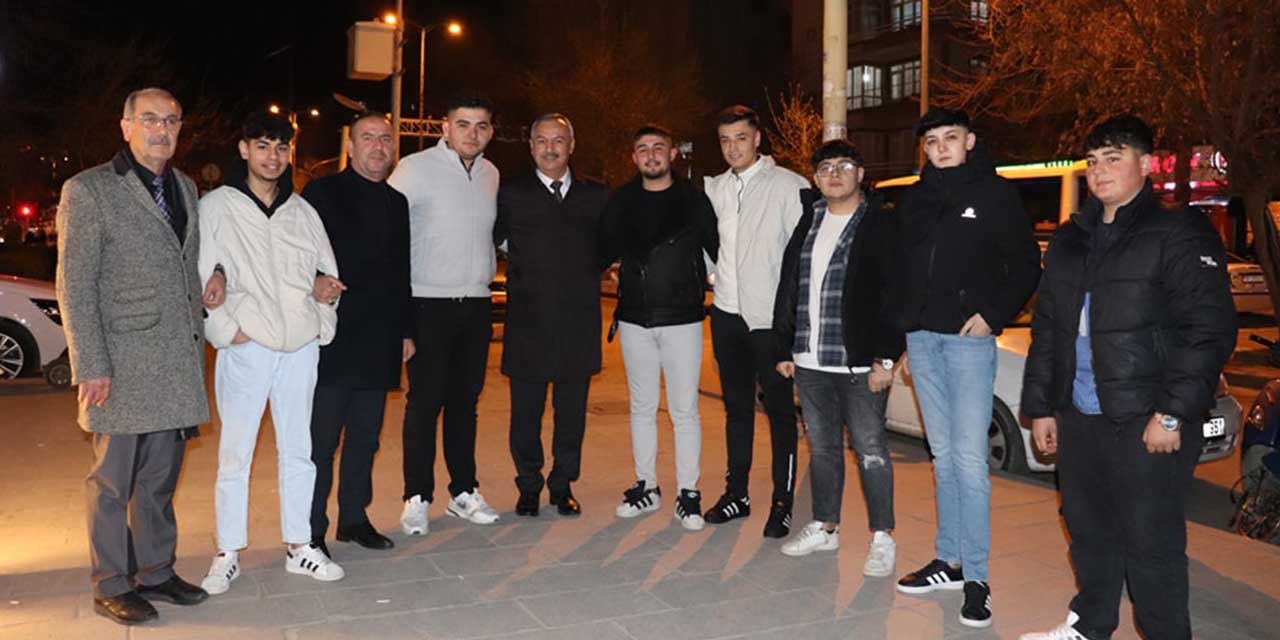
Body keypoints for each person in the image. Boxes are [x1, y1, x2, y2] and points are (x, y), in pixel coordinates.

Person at [1018, 115, 1236, 640]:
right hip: (1080, 414)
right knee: (1088, 532)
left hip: (1146, 417)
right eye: (1092, 161)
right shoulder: (1071, 238)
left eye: (1113, 159)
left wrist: (1172, 413)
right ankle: (1090, 626)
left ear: (1146, 164)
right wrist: (1042, 407)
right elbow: (1048, 328)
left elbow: (1208, 329)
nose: (1099, 171)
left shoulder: (1177, 231)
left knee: (1151, 545)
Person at [57, 87, 216, 625]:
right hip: (120, 363)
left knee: (159, 480)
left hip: (174, 360)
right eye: (149, 119)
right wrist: (91, 365)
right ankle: (111, 582)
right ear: (125, 126)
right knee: (111, 483)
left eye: (171, 120)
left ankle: (156, 571)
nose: (161, 129)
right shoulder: (89, 190)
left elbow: (184, 265)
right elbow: (74, 284)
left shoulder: (185, 187)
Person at [891, 107, 1041, 628]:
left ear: (969, 141)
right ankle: (948, 561)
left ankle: (976, 577)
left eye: (950, 138)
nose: (940, 148)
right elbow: (903, 270)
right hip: (923, 340)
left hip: (967, 342)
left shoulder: (994, 194)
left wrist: (992, 315)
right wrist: (904, 333)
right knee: (943, 457)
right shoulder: (916, 199)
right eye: (931, 141)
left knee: (970, 461)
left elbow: (1026, 264)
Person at [198, 111, 344, 594]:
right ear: (244, 149)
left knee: (299, 449)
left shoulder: (302, 211)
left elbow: (326, 271)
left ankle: (300, 545)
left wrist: (321, 312)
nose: (273, 156)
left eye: (281, 148)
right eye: (262, 146)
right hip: (249, 345)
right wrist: (227, 330)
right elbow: (202, 271)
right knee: (235, 452)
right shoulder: (217, 206)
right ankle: (227, 551)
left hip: (298, 346)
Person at [772, 140, 902, 576]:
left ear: (860, 174)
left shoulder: (880, 224)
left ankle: (882, 537)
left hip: (860, 363)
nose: (834, 173)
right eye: (826, 167)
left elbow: (895, 294)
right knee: (823, 449)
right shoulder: (809, 220)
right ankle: (825, 526)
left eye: (844, 165)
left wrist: (886, 358)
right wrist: (785, 346)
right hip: (811, 360)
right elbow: (790, 284)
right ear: (815, 177)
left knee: (871, 451)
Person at [389, 92, 501, 532]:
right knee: (424, 403)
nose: (472, 133)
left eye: (481, 126)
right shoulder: (415, 169)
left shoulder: (491, 174)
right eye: (463, 124)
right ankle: (416, 496)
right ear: (445, 127)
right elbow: (388, 230)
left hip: (476, 303)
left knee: (464, 403)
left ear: (490, 131)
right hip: (427, 303)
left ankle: (463, 491)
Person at [301, 113, 412, 556]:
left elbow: (402, 271)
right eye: (368, 138)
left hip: (380, 337)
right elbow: (297, 253)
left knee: (366, 437)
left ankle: (353, 519)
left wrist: (406, 330)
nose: (378, 146)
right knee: (321, 441)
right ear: (350, 146)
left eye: (385, 138)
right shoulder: (322, 193)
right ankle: (310, 529)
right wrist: (312, 282)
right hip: (332, 337)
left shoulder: (397, 202)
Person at [600, 124, 718, 531]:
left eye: (658, 148)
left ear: (672, 154)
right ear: (634, 157)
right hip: (635, 319)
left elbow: (717, 252)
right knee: (642, 407)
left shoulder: (693, 201)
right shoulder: (622, 201)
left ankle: (689, 493)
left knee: (684, 410)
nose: (651, 155)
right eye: (643, 149)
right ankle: (646, 487)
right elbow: (603, 249)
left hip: (683, 319)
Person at [494, 113, 609, 517]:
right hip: (527, 324)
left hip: (578, 324)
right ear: (531, 147)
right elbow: (497, 240)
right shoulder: (510, 193)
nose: (550, 148)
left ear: (571, 145)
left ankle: (562, 485)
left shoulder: (597, 195)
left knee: (571, 415)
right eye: (541, 140)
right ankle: (528, 486)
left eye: (558, 140)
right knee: (525, 415)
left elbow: (608, 247)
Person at [703, 105, 810, 538]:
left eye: (741, 138)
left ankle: (782, 503)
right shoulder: (714, 189)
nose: (733, 148)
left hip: (771, 321)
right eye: (725, 140)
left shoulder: (789, 186)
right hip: (726, 314)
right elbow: (706, 244)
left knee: (781, 414)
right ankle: (737, 494)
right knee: (736, 410)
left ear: (758, 139)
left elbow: (803, 257)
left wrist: (795, 323)